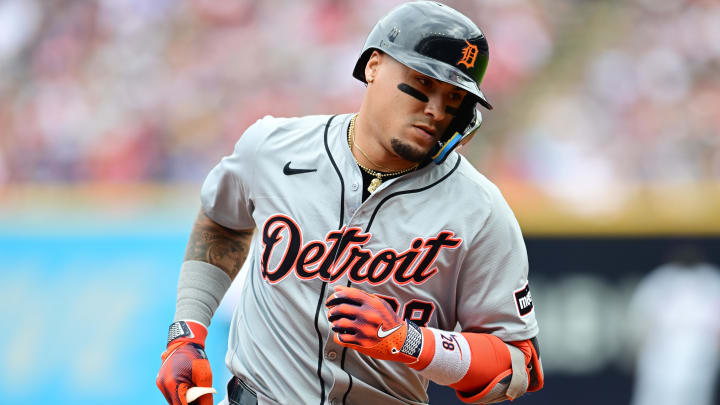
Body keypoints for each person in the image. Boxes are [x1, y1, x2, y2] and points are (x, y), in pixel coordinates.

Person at [156, 2, 544, 404]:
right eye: (423, 83)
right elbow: (223, 221)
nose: (435, 110)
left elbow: (516, 366)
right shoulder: (272, 148)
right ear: (373, 65)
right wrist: (187, 332)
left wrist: (410, 342)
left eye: (454, 99)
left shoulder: (479, 209)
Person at [628, 246, 720, 405]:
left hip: (695, 358)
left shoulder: (711, 280)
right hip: (664, 359)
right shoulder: (661, 279)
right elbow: (641, 323)